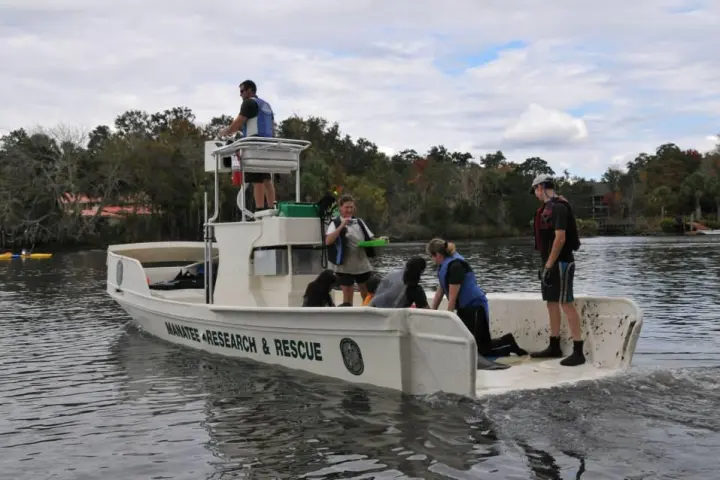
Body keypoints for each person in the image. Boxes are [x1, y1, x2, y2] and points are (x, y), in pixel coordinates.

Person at [426, 238, 527, 361]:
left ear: (438, 255)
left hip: (475, 307)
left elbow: (452, 299)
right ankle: (506, 341)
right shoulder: (444, 265)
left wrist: (449, 319)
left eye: (432, 256)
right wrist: (431, 312)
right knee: (473, 346)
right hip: (465, 309)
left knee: (478, 352)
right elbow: (441, 289)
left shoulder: (455, 267)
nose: (432, 260)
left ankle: (508, 344)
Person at [528, 174, 585, 366]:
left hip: (561, 264)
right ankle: (554, 346)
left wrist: (550, 265)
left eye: (536, 189)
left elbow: (560, 238)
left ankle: (578, 351)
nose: (535, 194)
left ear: (543, 187)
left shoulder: (559, 208)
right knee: (551, 303)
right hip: (549, 264)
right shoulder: (545, 210)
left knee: (566, 303)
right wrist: (545, 266)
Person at [219, 79, 277, 213]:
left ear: (250, 90)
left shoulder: (249, 103)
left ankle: (259, 211)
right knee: (266, 178)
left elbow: (237, 125)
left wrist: (224, 132)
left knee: (257, 180)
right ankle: (272, 208)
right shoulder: (266, 105)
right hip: (267, 146)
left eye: (242, 91)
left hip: (254, 146)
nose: (240, 94)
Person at [325, 195, 378, 305]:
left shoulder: (359, 222)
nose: (349, 210)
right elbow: (328, 241)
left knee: (367, 293)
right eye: (346, 207)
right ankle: (348, 317)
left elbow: (371, 238)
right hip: (345, 265)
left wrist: (380, 240)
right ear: (340, 208)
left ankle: (367, 314)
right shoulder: (335, 223)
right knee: (348, 296)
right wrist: (342, 226)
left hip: (361, 263)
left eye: (351, 207)